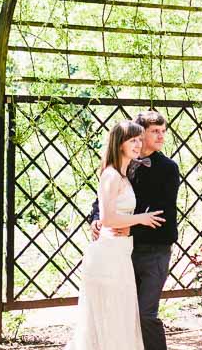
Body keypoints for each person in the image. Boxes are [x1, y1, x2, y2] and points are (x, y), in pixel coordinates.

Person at [67, 120, 165, 350]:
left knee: (120, 316)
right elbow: (108, 218)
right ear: (119, 144)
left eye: (140, 139)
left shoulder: (123, 175)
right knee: (108, 316)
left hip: (121, 251)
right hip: (108, 253)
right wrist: (141, 219)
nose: (138, 144)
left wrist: (130, 225)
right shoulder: (110, 175)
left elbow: (116, 216)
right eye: (133, 140)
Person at [89, 110, 181, 350]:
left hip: (155, 250)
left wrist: (131, 229)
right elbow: (103, 199)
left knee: (145, 315)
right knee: (123, 314)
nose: (161, 136)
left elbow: (164, 215)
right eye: (154, 132)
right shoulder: (125, 163)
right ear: (139, 134)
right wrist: (97, 218)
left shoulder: (168, 168)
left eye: (163, 131)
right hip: (122, 253)